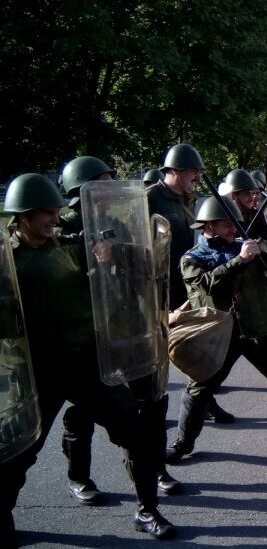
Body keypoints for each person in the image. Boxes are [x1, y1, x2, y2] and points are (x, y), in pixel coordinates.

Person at [1, 174, 175, 544]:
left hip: (86, 363)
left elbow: (134, 263)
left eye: (56, 211)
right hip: (39, 371)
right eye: (46, 213)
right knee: (19, 454)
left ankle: (147, 510)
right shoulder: (8, 260)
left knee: (137, 432)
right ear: (23, 215)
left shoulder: (68, 247)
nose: (55, 218)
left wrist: (110, 253)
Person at [165, 197, 267, 464]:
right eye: (226, 224)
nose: (233, 228)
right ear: (208, 226)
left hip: (259, 329)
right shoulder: (192, 258)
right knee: (199, 391)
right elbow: (206, 286)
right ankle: (183, 444)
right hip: (219, 335)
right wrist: (239, 260)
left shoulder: (249, 247)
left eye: (235, 223)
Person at [56, 156, 181, 506]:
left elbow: (142, 264)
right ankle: (78, 476)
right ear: (83, 189)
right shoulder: (62, 228)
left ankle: (154, 468)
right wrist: (86, 250)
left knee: (148, 402)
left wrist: (120, 252)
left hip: (128, 326)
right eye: (104, 181)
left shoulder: (115, 223)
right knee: (84, 413)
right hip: (89, 336)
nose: (112, 188)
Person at [148, 143, 234, 424]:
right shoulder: (151, 199)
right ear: (175, 170)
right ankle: (152, 411)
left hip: (188, 287)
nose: (198, 176)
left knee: (196, 347)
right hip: (160, 290)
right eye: (193, 171)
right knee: (158, 356)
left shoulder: (189, 200)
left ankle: (204, 401)